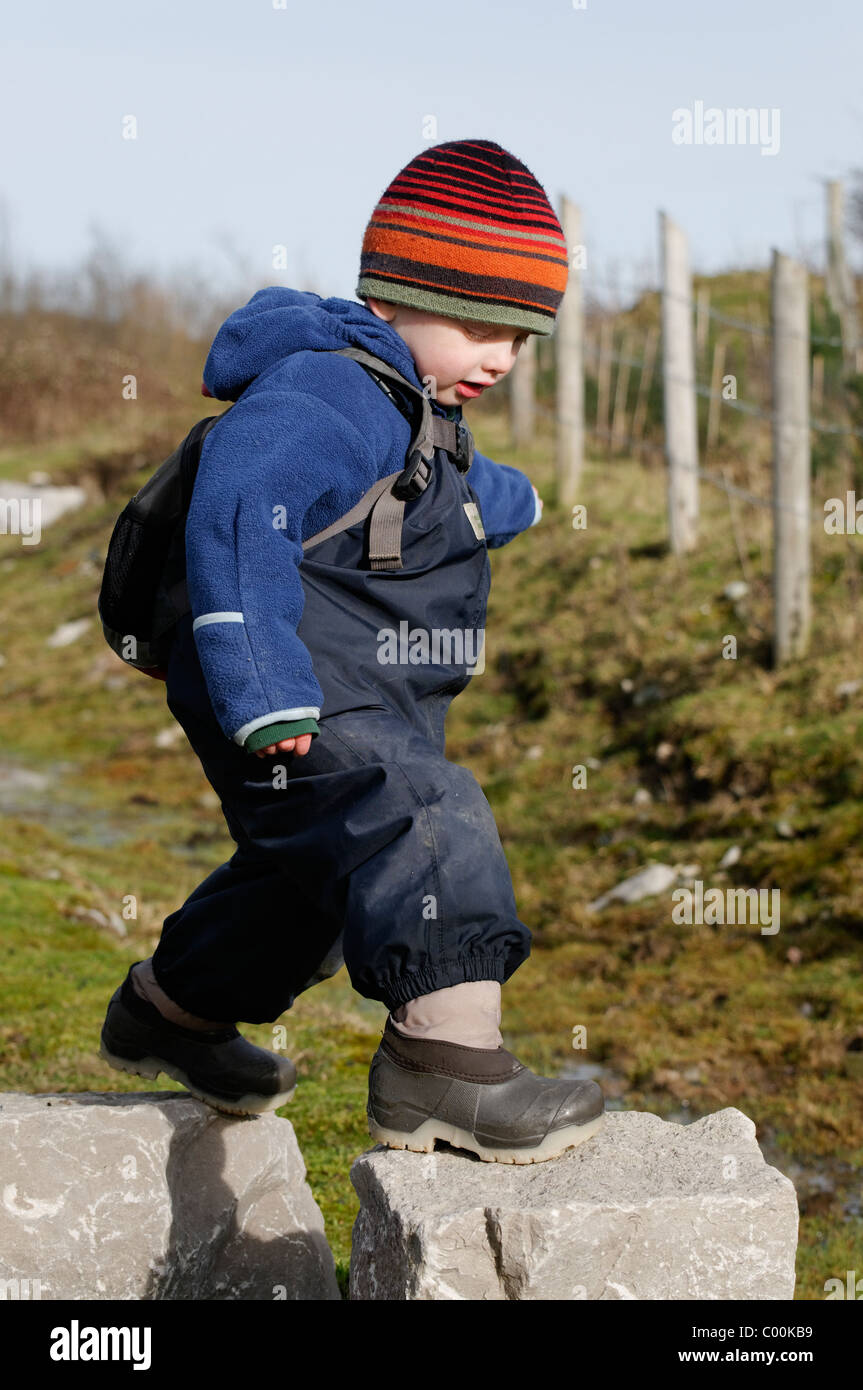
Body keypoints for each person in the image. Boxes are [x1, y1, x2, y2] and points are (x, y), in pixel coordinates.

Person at [100, 138, 604, 1164]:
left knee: (312, 886)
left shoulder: (416, 408)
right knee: (421, 816)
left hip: (353, 688)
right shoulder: (329, 392)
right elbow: (244, 507)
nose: (501, 355)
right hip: (291, 683)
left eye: (520, 334)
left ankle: (171, 1012)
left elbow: (456, 494)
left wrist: (524, 501)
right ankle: (440, 1064)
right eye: (478, 324)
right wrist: (265, 685)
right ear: (395, 294)